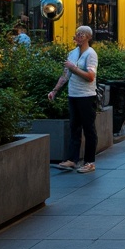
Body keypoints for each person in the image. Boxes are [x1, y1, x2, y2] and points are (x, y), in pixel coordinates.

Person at [47, 25, 99, 173]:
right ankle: (72, 159)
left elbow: (90, 77)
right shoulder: (72, 53)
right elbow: (65, 75)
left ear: (88, 37)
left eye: (81, 34)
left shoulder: (91, 54)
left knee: (89, 129)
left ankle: (90, 162)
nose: (78, 36)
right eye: (77, 34)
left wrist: (74, 68)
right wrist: (55, 90)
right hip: (73, 95)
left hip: (87, 96)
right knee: (74, 128)